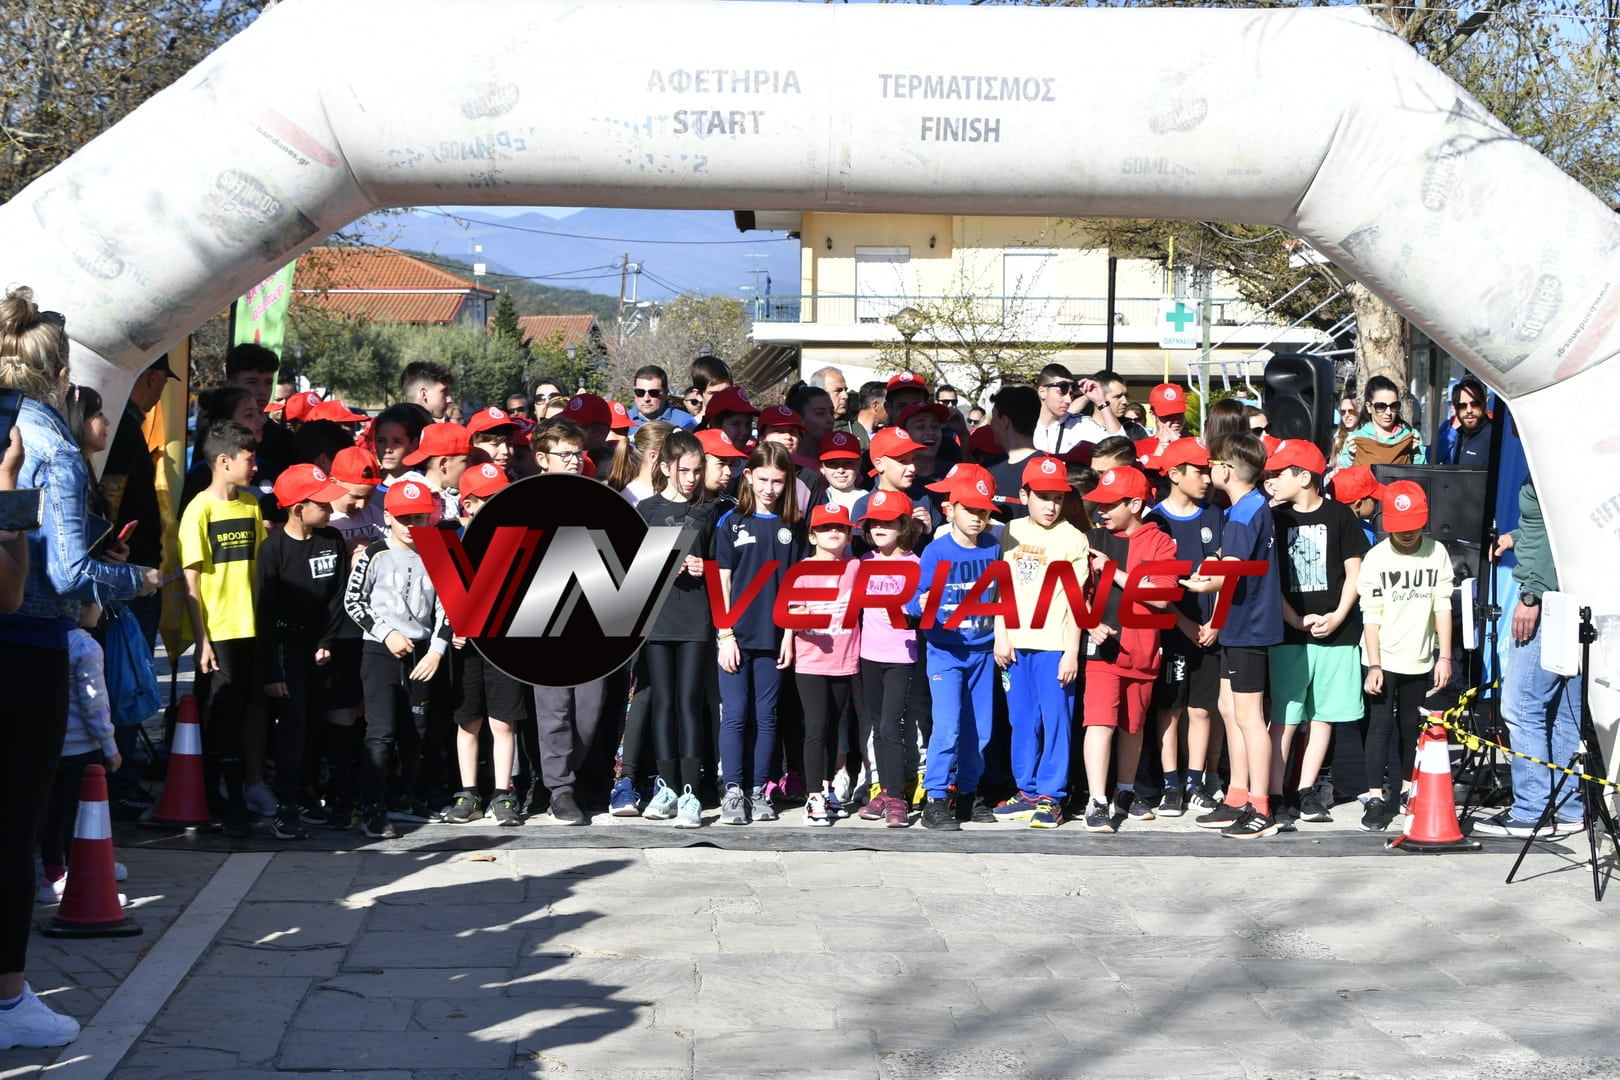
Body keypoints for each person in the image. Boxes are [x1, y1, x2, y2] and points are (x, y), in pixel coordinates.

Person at [1185, 432, 1285, 838]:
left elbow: (1229, 573)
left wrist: (1195, 583)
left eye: (1212, 464)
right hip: (1236, 623)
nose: (1209, 470)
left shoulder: (1244, 512)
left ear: (1226, 470)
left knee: (1249, 717)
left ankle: (1260, 808)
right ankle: (1237, 797)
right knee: (1228, 708)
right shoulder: (1249, 506)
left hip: (1249, 626)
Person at [1265, 439, 1369, 825]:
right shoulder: (1275, 519)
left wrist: (1338, 616)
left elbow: (1355, 572)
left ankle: (1306, 790)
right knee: (1285, 716)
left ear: (1304, 477)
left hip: (1336, 634)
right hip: (1289, 633)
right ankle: (1275, 793)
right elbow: (1269, 579)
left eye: (1280, 473)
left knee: (1324, 715)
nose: (1272, 480)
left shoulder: (1341, 516)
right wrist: (1292, 618)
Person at [1473, 475, 1583, 838]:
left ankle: (1532, 811)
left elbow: (1561, 533)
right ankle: (1567, 808)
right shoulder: (1558, 460)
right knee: (1563, 711)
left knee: (1521, 707)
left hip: (1548, 597)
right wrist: (1514, 538)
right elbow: (1546, 526)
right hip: (1570, 595)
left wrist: (1532, 595)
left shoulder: (1555, 461)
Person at [344, 479, 451, 838]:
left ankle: (404, 796)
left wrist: (436, 650)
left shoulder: (436, 551)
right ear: (387, 516)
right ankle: (371, 805)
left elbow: (448, 607)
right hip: (380, 651)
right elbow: (353, 601)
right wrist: (385, 632)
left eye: (419, 518)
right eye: (404, 518)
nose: (411, 526)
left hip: (421, 653)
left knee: (416, 731)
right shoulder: (375, 552)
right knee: (381, 731)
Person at [1076, 466, 1179, 832]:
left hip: (1143, 651)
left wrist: (1113, 572)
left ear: (1135, 504)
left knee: (1133, 727)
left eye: (1110, 504)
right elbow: (1073, 593)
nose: (1101, 511)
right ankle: (1096, 801)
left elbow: (1162, 597)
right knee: (1100, 722)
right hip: (1102, 650)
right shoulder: (1090, 538)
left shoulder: (1160, 542)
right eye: (1099, 504)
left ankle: (1124, 791)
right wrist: (1090, 622)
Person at [177, 420, 266, 836]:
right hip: (219, 630)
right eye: (249, 459)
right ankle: (225, 802)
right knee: (222, 718)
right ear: (224, 461)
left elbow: (259, 567)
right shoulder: (199, 510)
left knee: (243, 711)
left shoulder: (250, 505)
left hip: (252, 627)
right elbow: (191, 581)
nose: (255, 467)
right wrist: (202, 639)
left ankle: (235, 793)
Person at [992, 456, 1088, 829]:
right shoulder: (1010, 531)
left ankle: (1052, 796)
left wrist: (1071, 652)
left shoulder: (1072, 538)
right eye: (1043, 497)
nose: (1051, 506)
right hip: (1015, 645)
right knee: (1021, 720)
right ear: (1024, 496)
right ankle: (1027, 790)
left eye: (1058, 498)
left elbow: (1077, 603)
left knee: (1056, 720)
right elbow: (1002, 588)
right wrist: (1002, 635)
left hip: (1054, 646)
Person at [256, 464, 349, 839]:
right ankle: (287, 805)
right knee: (292, 729)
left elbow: (339, 596)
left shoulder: (332, 540)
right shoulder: (272, 550)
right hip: (286, 650)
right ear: (298, 508)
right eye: (322, 504)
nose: (330, 510)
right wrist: (270, 670)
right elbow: (263, 613)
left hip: (322, 649)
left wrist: (327, 642)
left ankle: (310, 796)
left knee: (316, 726)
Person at [713, 442, 804, 824]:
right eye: (763, 479)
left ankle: (758, 789)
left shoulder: (792, 527)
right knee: (735, 714)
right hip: (735, 637)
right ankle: (733, 790)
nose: (769, 489)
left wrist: (789, 635)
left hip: (774, 637)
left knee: (767, 717)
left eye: (778, 481)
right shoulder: (731, 522)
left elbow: (795, 587)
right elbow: (722, 582)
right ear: (748, 476)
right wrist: (725, 635)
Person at [627, 430, 714, 829]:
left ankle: (691, 792)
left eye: (697, 470)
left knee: (688, 703)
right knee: (662, 703)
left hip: (695, 621)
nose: (692, 478)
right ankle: (667, 787)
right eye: (684, 471)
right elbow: (632, 569)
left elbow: (723, 566)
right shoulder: (647, 509)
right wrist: (662, 564)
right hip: (658, 621)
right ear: (664, 467)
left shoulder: (709, 510)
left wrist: (703, 567)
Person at [905, 472, 1001, 831]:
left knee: (980, 729)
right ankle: (935, 799)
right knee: (947, 727)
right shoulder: (937, 550)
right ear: (950, 510)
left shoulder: (993, 546)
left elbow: (1002, 594)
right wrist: (919, 604)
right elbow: (914, 599)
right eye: (970, 510)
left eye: (984, 511)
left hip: (982, 649)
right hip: (946, 651)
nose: (978, 517)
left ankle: (967, 794)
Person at [1356, 481, 1454, 831]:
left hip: (1420, 656)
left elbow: (1442, 606)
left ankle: (1409, 792)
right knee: (1380, 725)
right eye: (1400, 527)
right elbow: (1371, 615)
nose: (1408, 533)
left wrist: (1444, 656)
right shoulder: (1376, 558)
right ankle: (1375, 797)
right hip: (1383, 657)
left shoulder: (1437, 553)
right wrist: (1374, 664)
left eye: (1413, 525)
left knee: (1410, 727)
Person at [1143, 437, 1224, 817]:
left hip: (1210, 632)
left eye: (1209, 471)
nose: (1207, 479)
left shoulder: (1215, 515)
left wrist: (1215, 622)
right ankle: (1170, 784)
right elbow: (1154, 585)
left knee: (1202, 710)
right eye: (1200, 471)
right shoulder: (1154, 521)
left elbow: (1226, 573)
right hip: (1172, 632)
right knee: (1170, 710)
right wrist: (1185, 623)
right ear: (1174, 474)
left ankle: (1196, 782)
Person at [442, 463, 526, 828]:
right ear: (468, 504)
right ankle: (468, 793)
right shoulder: (451, 540)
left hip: (504, 645)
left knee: (503, 723)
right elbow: (442, 597)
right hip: (466, 649)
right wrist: (451, 627)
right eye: (489, 499)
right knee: (468, 722)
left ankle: (503, 793)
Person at [35, 602, 116, 907]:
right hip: (83, 748)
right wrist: (110, 746)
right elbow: (95, 703)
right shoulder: (86, 646)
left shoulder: (43, 639)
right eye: (97, 603)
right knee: (81, 816)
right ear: (80, 607)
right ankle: (84, 876)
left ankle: (53, 875)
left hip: (48, 745)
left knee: (51, 813)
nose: (101, 610)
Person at [100, 354, 176, 649]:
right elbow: (111, 497)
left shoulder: (127, 426)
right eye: (164, 382)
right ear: (154, 378)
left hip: (130, 569)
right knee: (129, 670)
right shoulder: (124, 430)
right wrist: (109, 550)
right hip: (128, 573)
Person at [791, 503, 861, 826]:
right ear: (812, 536)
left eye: (840, 528)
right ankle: (813, 796)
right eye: (826, 528)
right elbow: (791, 612)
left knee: (835, 727)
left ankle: (829, 789)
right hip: (811, 661)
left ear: (849, 536)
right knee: (816, 726)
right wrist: (801, 619)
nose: (834, 532)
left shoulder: (855, 567)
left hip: (844, 660)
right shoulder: (802, 570)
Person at [226, 343, 291, 482]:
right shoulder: (212, 437)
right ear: (230, 386)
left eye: (268, 382)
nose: (262, 391)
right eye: (252, 382)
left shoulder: (285, 441)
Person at [1338, 375, 1427, 468]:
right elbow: (1346, 473)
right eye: (1381, 406)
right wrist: (1350, 457)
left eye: (1394, 406)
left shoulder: (1410, 436)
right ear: (1369, 407)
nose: (1388, 412)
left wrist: (1416, 453)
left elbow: (1422, 472)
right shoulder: (1356, 439)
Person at [985, 385, 1042, 522]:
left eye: (993, 418)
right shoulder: (988, 467)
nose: (990, 425)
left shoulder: (1045, 470)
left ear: (1004, 421)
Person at [399, 422, 471, 522]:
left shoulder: (455, 493)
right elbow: (415, 530)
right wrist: (459, 523)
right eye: (466, 461)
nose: (471, 466)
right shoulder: (411, 493)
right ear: (443, 464)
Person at [371, 403, 433, 485]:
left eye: (397, 441)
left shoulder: (425, 485)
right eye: (381, 440)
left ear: (413, 444)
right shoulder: (366, 483)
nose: (388, 449)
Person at [1032, 365, 1087, 454]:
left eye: (1071, 394)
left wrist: (1102, 403)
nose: (1069, 400)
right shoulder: (1022, 427)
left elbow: (1112, 446)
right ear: (1042, 392)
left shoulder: (1082, 424)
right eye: (1061, 393)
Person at [1439, 376, 1493, 467]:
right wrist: (1453, 429)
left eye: (1475, 404)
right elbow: (1431, 457)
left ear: (1485, 401)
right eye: (1462, 406)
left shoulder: (1495, 435)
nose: (1469, 410)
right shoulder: (1453, 430)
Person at [629, 365, 696, 430]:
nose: (646, 399)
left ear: (666, 393)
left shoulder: (687, 423)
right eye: (640, 392)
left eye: (654, 392)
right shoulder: (625, 421)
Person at [818, 431, 865, 513]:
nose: (841, 470)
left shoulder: (869, 500)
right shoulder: (816, 501)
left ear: (858, 464)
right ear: (822, 468)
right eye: (832, 463)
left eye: (848, 463)